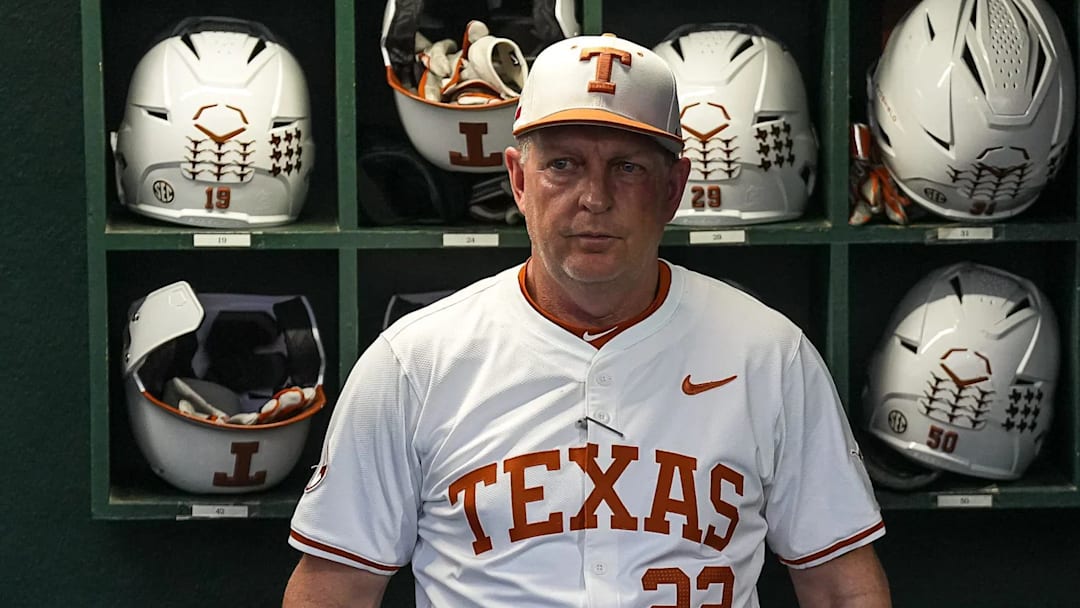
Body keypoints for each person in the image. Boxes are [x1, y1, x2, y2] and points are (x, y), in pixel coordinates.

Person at [284, 33, 891, 608]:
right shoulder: (415, 362)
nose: (594, 197)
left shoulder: (768, 353)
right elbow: (333, 590)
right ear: (519, 179)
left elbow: (842, 588)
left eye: (627, 167)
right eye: (564, 164)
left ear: (674, 187)